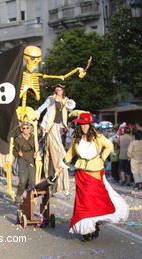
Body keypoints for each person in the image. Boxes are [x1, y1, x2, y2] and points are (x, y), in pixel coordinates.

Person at [64, 112, 128, 241]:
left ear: (90, 124)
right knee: (84, 201)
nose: (84, 127)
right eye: (81, 124)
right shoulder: (76, 138)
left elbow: (109, 146)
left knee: (95, 198)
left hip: (95, 172)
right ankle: (86, 230)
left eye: (86, 124)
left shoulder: (97, 137)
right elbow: (70, 153)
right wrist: (62, 164)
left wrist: (102, 158)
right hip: (81, 173)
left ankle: (94, 223)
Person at [37, 84, 75, 196]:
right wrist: (37, 113)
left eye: (60, 90)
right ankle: (62, 156)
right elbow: (43, 107)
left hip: (60, 126)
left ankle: (59, 182)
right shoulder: (51, 98)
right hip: (50, 125)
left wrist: (71, 102)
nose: (58, 91)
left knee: (58, 147)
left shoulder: (65, 99)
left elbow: (71, 107)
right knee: (57, 150)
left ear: (63, 91)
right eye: (56, 89)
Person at [13, 122, 36, 204]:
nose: (26, 129)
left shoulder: (34, 138)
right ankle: (18, 195)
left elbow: (37, 148)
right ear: (21, 129)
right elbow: (14, 151)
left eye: (27, 128)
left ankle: (29, 198)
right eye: (24, 128)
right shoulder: (17, 139)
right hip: (22, 159)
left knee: (32, 181)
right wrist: (18, 154)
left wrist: (36, 153)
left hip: (31, 159)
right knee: (23, 181)